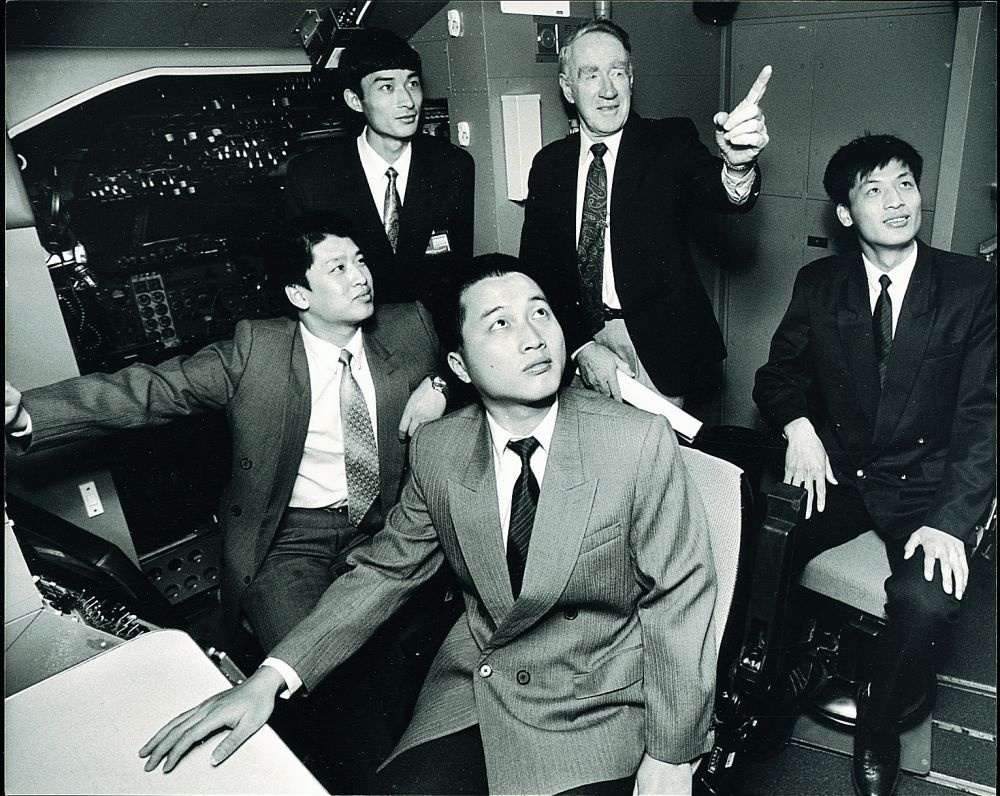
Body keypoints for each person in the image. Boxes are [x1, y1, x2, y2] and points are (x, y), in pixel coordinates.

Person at [139, 255, 719, 796]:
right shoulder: (440, 450)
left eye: (540, 313)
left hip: (597, 698)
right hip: (482, 685)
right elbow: (384, 572)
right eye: (500, 324)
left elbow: (680, 596)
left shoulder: (635, 441)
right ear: (459, 365)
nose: (533, 337)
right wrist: (266, 681)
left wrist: (670, 753)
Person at [5, 211, 456, 791]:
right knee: (321, 674)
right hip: (290, 539)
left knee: (405, 665)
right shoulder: (255, 351)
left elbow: (473, 355)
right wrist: (26, 413)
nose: (360, 276)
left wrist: (442, 386)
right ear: (299, 294)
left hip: (387, 527)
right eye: (338, 268)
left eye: (361, 261)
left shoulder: (409, 327)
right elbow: (149, 389)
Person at [753, 135, 996, 796]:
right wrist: (798, 426)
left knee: (927, 599)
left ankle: (879, 724)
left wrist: (952, 520)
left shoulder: (972, 286)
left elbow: (984, 418)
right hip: (842, 473)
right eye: (874, 189)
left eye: (905, 185)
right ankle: (772, 688)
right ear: (845, 212)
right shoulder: (819, 284)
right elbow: (776, 377)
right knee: (764, 545)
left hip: (927, 487)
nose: (895, 202)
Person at [520, 18, 770, 413]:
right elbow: (538, 269)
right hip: (573, 343)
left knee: (661, 452)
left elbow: (717, 189)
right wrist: (582, 347)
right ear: (568, 88)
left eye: (618, 72)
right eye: (591, 75)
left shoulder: (669, 142)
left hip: (657, 351)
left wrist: (738, 165)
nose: (608, 90)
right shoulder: (549, 165)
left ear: (631, 78)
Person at [285, 27, 475, 318]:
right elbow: (304, 280)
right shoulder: (313, 177)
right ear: (354, 100)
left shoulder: (453, 165)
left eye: (412, 84)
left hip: (432, 330)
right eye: (387, 88)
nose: (407, 101)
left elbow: (459, 272)